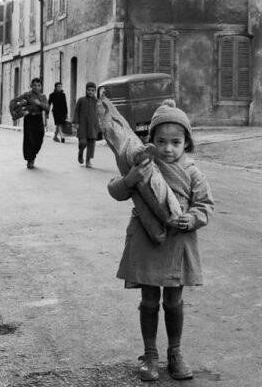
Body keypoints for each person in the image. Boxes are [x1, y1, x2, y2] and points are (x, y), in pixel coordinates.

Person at [107, 103, 214, 381]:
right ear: (151, 142)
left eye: (176, 142)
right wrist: (130, 178)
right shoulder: (142, 165)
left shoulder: (193, 173)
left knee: (174, 300)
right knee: (150, 299)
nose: (168, 149)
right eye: (161, 141)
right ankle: (151, 354)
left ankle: (175, 352)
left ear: (186, 143)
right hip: (146, 239)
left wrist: (191, 219)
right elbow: (115, 190)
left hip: (178, 243)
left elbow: (204, 206)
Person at [9, 77, 49, 169]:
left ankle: (33, 155)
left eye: (38, 85)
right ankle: (30, 160)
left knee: (39, 138)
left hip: (38, 118)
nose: (36, 87)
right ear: (31, 86)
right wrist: (21, 104)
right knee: (29, 139)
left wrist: (40, 104)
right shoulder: (27, 95)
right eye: (34, 85)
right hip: (29, 119)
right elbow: (14, 102)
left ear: (41, 87)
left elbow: (47, 108)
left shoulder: (43, 97)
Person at [73, 81, 99, 168]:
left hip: (93, 125)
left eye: (92, 90)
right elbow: (76, 111)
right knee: (83, 142)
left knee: (91, 144)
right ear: (86, 90)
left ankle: (88, 160)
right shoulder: (81, 100)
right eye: (89, 90)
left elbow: (100, 113)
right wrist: (76, 122)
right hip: (82, 125)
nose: (90, 92)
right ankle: (80, 153)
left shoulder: (97, 102)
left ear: (95, 91)